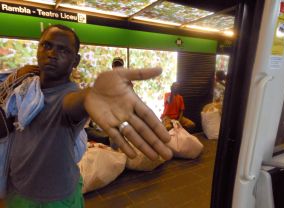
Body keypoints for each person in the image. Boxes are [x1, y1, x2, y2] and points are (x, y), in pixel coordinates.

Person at [4, 24, 172, 207]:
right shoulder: (25, 88)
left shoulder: (69, 96)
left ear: (75, 61)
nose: (52, 53)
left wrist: (91, 95)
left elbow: (75, 102)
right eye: (47, 45)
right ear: (38, 48)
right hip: (17, 193)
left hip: (58, 200)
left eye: (63, 50)